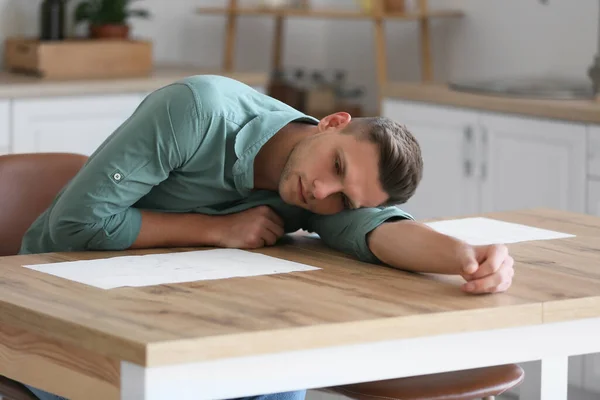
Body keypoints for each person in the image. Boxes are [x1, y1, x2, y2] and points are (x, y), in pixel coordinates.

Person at [17, 75, 515, 400]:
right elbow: (76, 226)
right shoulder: (197, 111)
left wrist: (466, 257)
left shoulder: (320, 195)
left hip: (180, 321)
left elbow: (380, 231)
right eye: (336, 165)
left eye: (343, 198)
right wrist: (215, 230)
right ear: (331, 123)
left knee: (279, 377)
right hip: (58, 309)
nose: (322, 191)